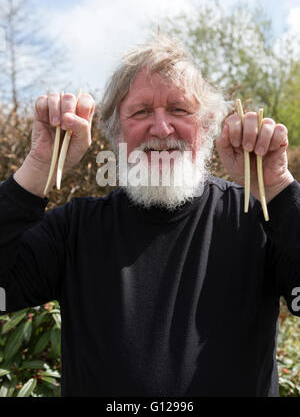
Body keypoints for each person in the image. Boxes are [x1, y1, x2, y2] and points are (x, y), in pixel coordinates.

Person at [0, 33, 299, 397]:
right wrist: (38, 165)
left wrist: (280, 189)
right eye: (141, 112)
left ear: (205, 127)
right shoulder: (74, 230)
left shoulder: (257, 218)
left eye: (179, 110)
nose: (161, 129)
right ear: (115, 133)